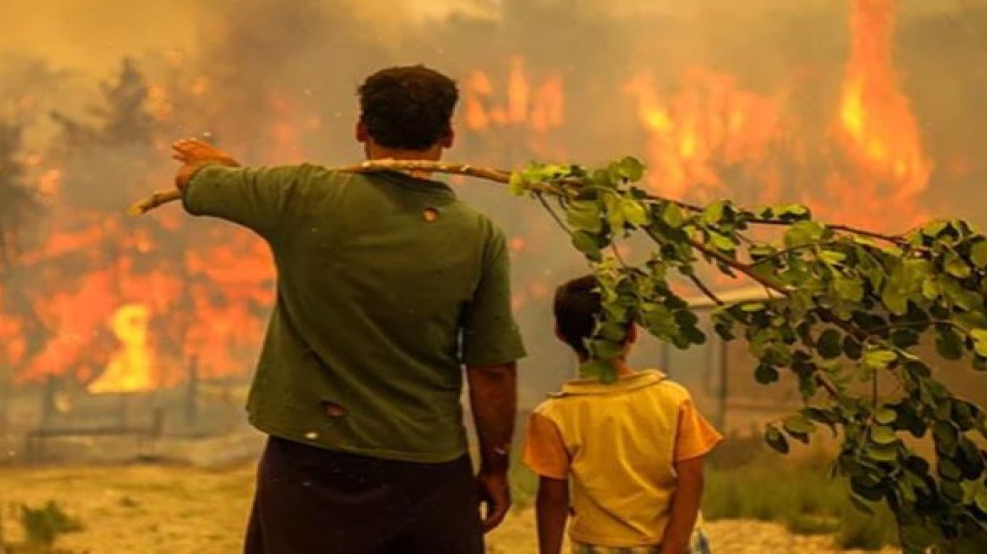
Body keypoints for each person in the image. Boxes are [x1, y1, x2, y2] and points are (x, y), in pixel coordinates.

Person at [171, 64, 526, 554]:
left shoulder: (300, 196)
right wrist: (495, 467)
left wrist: (216, 166)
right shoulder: (477, 235)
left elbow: (193, 181)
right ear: (448, 135)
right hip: (425, 468)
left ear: (361, 129)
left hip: (312, 462)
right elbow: (492, 368)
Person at [523, 276, 723, 554]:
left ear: (560, 333)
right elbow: (692, 478)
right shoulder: (673, 399)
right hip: (678, 543)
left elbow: (553, 499)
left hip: (601, 546)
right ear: (632, 332)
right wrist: (674, 546)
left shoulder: (554, 416)